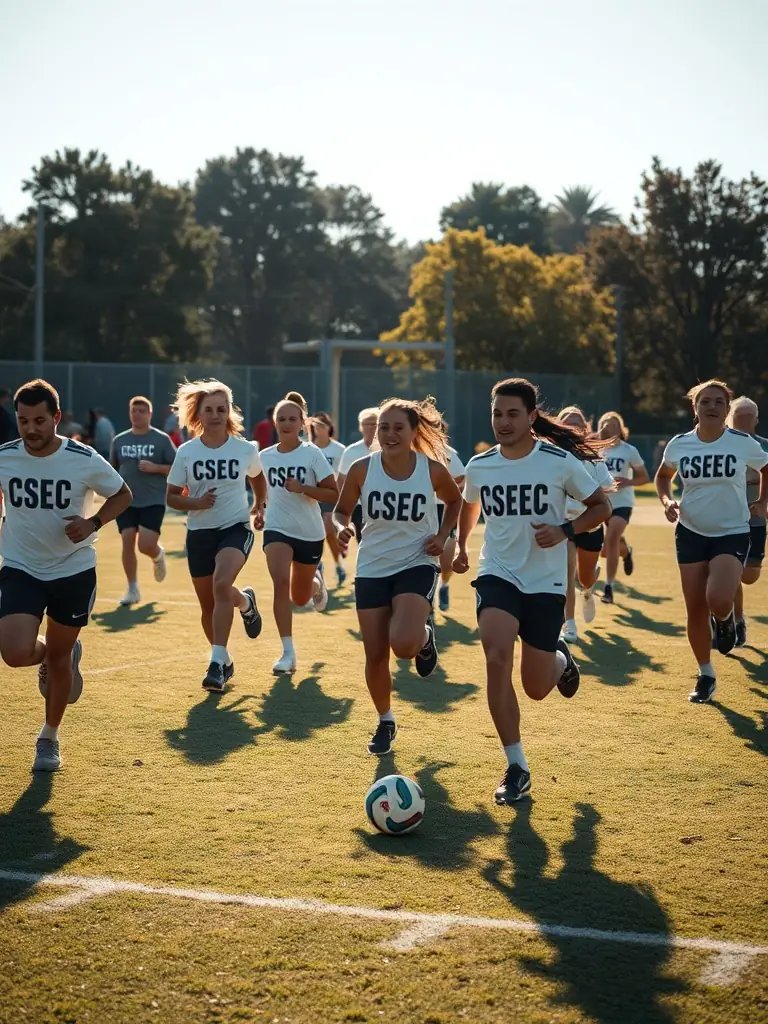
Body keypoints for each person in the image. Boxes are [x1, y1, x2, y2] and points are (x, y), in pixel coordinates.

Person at [452, 378, 611, 804]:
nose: (503, 422)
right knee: (496, 655)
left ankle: (559, 657)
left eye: (512, 414)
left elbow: (602, 507)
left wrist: (564, 530)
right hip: (497, 573)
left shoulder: (558, 461)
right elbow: (470, 502)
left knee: (537, 687)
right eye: (497, 414)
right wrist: (462, 544)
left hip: (546, 584)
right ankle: (516, 765)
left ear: (531, 417)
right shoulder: (482, 464)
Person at [0, 379, 131, 771]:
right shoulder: (5, 456)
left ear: (56, 418)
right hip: (21, 567)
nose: (31, 429)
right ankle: (61, 653)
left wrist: (93, 523)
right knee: (14, 653)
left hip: (72, 571)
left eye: (40, 420)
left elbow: (123, 494)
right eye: (24, 421)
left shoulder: (83, 457)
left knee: (57, 660)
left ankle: (49, 737)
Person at [334, 397, 462, 755]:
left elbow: (455, 501)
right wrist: (342, 527)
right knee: (375, 655)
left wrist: (443, 536)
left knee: (402, 645)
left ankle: (423, 638)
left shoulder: (431, 469)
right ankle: (385, 720)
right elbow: (340, 511)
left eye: (397, 428)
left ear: (413, 431)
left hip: (416, 562)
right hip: (372, 567)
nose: (389, 434)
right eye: (383, 427)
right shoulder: (362, 468)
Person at [655, 380, 768, 704]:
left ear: (727, 408)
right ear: (696, 407)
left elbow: (766, 467)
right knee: (694, 608)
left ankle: (726, 620)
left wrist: (762, 502)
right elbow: (664, 476)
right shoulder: (680, 444)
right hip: (690, 531)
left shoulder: (741, 442)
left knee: (718, 597)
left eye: (719, 401)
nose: (713, 406)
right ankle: (706, 674)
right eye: (706, 401)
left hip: (732, 531)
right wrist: (667, 502)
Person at [166, 379, 266, 692]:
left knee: (221, 584)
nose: (215, 414)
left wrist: (259, 506)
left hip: (235, 528)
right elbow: (171, 497)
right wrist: (196, 502)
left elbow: (258, 477)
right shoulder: (186, 452)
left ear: (229, 412)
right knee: (208, 607)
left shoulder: (245, 448)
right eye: (209, 409)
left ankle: (214, 664)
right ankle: (244, 606)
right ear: (198, 413)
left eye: (221, 409)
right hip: (199, 532)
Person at [259, 392, 339, 674]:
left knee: (300, 597)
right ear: (274, 422)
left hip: (310, 532)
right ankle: (287, 653)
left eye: (292, 418)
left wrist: (304, 488)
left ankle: (317, 583)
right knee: (280, 583)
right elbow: (261, 492)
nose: (286, 423)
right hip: (277, 529)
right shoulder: (264, 457)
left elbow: (333, 491)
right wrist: (259, 510)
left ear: (302, 422)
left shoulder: (312, 454)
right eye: (281, 418)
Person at [110, 396, 177, 606]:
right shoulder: (119, 440)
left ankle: (157, 555)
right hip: (126, 500)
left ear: (150, 414)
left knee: (145, 545)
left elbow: (177, 470)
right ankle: (132, 589)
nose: (136, 414)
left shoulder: (161, 440)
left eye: (141, 411)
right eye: (133, 411)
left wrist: (156, 468)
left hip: (153, 499)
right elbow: (112, 469)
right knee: (127, 540)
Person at [556, 406, 614, 642]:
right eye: (566, 424)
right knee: (567, 574)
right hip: (562, 525)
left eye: (576, 425)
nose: (571, 428)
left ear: (584, 430)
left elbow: (607, 486)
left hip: (589, 525)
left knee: (585, 577)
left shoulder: (593, 457)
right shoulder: (549, 454)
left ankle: (589, 591)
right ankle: (569, 624)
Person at [727, 396, 768, 647]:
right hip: (728, 520)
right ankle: (735, 621)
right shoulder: (721, 444)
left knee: (748, 576)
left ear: (756, 419)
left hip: (755, 520)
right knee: (729, 573)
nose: (743, 420)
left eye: (748, 416)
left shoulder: (763, 446)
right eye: (738, 415)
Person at [596, 411, 649, 604]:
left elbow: (644, 477)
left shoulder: (629, 451)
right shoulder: (595, 450)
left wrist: (627, 481)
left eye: (614, 424)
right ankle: (625, 552)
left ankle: (608, 587)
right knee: (605, 546)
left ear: (621, 428)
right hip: (600, 502)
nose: (610, 427)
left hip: (622, 503)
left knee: (611, 538)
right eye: (606, 424)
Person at [308, 411, 348, 586]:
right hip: (311, 496)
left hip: (331, 495)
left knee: (328, 529)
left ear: (329, 427)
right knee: (318, 533)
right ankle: (329, 564)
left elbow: (343, 475)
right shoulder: (308, 448)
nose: (319, 429)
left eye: (322, 426)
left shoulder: (339, 450)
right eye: (316, 426)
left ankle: (331, 564)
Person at [436, 419, 466, 612]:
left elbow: (461, 480)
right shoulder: (410, 452)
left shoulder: (449, 455)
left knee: (446, 561)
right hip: (420, 511)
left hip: (445, 510)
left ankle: (444, 585)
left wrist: (444, 487)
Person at [337, 408, 379, 543]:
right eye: (367, 424)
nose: (371, 428)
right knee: (364, 541)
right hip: (360, 505)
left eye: (375, 424)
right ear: (361, 427)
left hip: (383, 503)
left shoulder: (388, 449)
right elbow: (341, 481)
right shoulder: (351, 452)